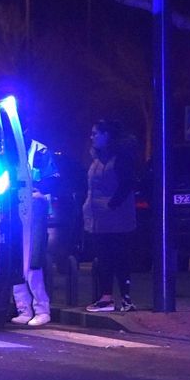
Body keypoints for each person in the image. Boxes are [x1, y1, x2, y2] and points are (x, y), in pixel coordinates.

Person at [82, 120, 137, 313]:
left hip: (116, 218)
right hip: (98, 218)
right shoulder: (98, 158)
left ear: (107, 135)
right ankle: (106, 297)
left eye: (95, 133)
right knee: (104, 257)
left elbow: (127, 183)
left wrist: (111, 205)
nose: (92, 137)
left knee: (119, 256)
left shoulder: (119, 158)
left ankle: (125, 297)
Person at [10, 139, 54, 326]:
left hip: (35, 209)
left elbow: (52, 180)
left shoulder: (40, 151)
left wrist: (40, 193)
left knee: (33, 262)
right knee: (16, 261)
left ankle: (42, 309)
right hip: (13, 207)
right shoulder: (7, 146)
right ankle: (23, 309)